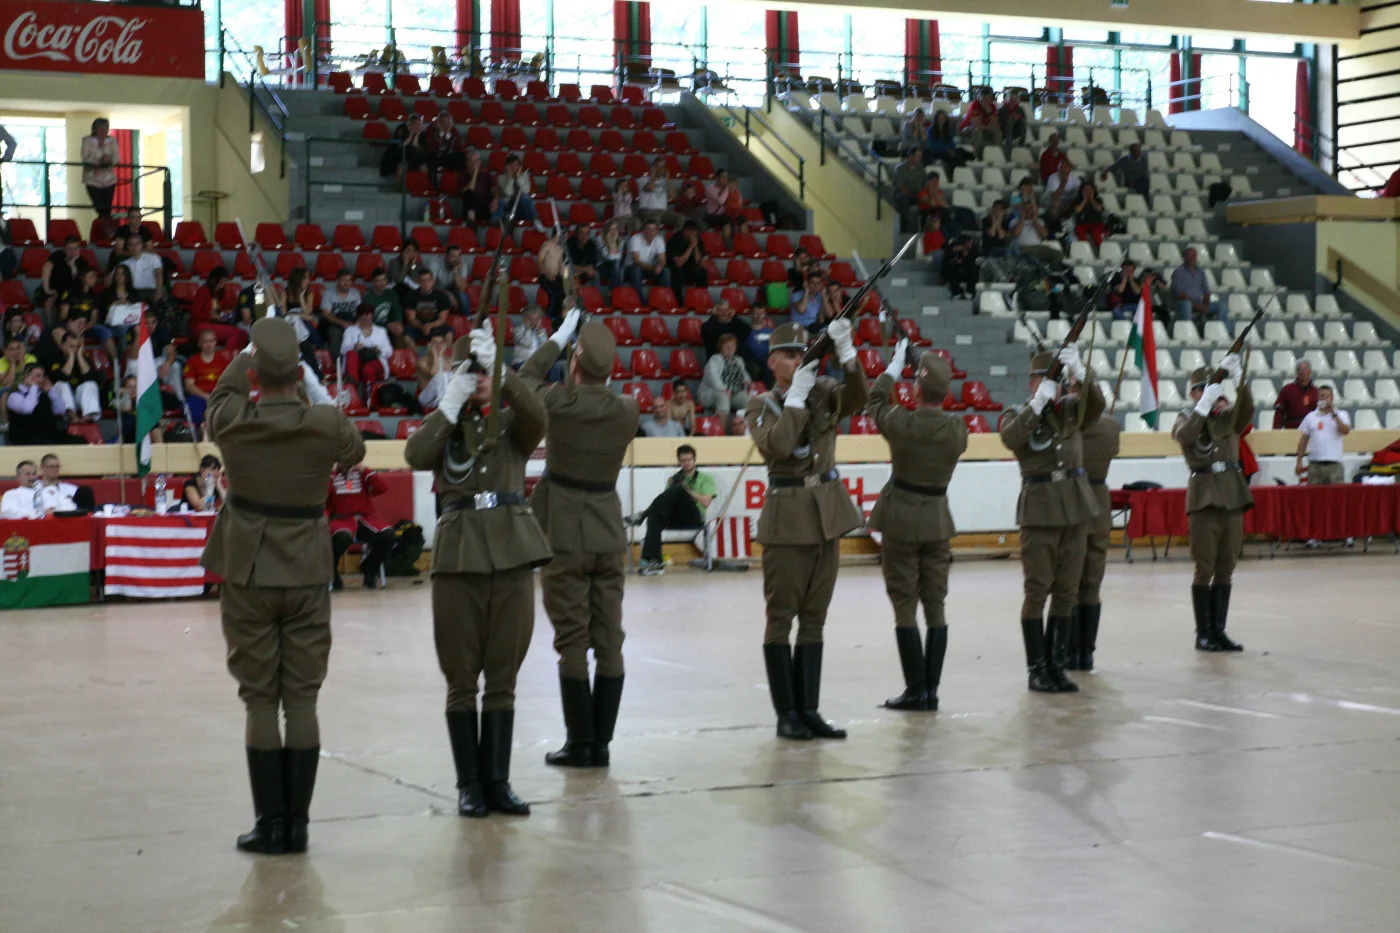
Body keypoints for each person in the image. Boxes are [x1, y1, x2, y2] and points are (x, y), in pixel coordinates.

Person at [199, 316, 366, 856]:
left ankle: (269, 825)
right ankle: (297, 827)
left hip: (249, 569)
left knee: (259, 701)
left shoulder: (234, 420)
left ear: (255, 374)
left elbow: (220, 396)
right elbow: (355, 447)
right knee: (301, 698)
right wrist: (312, 383)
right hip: (307, 570)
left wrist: (250, 351)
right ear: (298, 373)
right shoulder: (323, 423)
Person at [405, 327, 549, 815]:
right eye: (473, 370)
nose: (481, 379)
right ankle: (469, 784)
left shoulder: (510, 423)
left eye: (486, 371)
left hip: (511, 552)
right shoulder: (445, 426)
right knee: (461, 677)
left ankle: (498, 782)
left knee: (503, 677)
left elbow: (539, 417)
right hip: (458, 557)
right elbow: (416, 455)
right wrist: (450, 402)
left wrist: (504, 374)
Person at [519, 311, 640, 770]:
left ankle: (579, 742)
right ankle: (601, 745)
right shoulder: (627, 409)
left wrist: (558, 337)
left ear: (574, 364)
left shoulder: (558, 404)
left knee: (571, 641)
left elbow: (524, 379)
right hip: (608, 532)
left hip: (564, 532)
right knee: (609, 640)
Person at [744, 320, 869, 740]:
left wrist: (847, 355)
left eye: (803, 354)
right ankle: (787, 713)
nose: (798, 361)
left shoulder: (824, 391)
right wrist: (795, 398)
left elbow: (859, 398)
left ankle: (809, 710)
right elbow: (779, 446)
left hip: (827, 514)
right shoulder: (761, 406)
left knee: (815, 617)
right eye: (789, 355)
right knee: (781, 617)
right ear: (772, 362)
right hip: (787, 519)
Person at [866, 341, 967, 711]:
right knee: (936, 605)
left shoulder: (901, 424)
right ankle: (931, 691)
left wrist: (893, 368)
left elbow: (875, 402)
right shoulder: (958, 431)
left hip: (901, 522)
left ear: (916, 389)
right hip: (937, 522)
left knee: (905, 605)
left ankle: (915, 689)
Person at [999, 346, 1104, 693]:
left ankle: (1057, 666)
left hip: (1075, 508)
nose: (1052, 385)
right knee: (1037, 591)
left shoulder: (1071, 409)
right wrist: (1037, 405)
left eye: (1055, 380)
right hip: (1040, 511)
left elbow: (1097, 407)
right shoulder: (1017, 413)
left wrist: (1082, 375)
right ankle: (1036, 668)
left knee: (1066, 590)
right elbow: (1010, 438)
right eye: (1045, 380)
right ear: (1032, 382)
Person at [1172, 361, 1251, 653]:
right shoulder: (1185, 418)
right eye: (1202, 390)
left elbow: (1247, 410)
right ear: (1193, 394)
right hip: (1204, 498)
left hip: (1232, 495)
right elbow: (1185, 437)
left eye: (1212, 389)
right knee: (1204, 567)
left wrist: (1240, 379)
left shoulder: (1227, 417)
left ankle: (1219, 631)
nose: (1209, 393)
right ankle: (1203, 633)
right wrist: (1205, 404)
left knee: (1226, 567)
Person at [1065, 415, 1121, 672]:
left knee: (1069, 581)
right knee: (1092, 581)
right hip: (1099, 501)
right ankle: (1086, 653)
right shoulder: (1110, 425)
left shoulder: (1067, 422)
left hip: (1072, 498)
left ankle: (1069, 651)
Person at [629, 444, 717, 575]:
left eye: (689, 460)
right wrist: (675, 487)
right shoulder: (674, 478)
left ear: (695, 460)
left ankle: (642, 515)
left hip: (694, 516)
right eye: (683, 460)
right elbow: (664, 504)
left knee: (678, 488)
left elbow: (706, 502)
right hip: (676, 516)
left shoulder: (705, 478)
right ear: (679, 461)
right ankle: (655, 562)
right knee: (654, 516)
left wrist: (685, 490)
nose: (686, 463)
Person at [324, 462, 391, 591]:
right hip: (340, 519)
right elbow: (322, 497)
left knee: (388, 534)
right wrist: (332, 473)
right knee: (341, 538)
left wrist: (364, 470)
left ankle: (369, 567)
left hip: (364, 518)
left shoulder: (362, 474)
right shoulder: (330, 475)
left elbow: (381, 488)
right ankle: (332, 572)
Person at [1296, 384, 1350, 486]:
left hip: (1334, 464)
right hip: (1315, 464)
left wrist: (1333, 413)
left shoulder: (1342, 414)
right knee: (1314, 494)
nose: (1324, 398)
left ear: (1332, 398)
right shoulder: (1311, 416)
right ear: (1318, 398)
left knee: (1336, 493)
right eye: (1322, 396)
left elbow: (1345, 431)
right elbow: (1303, 440)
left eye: (1327, 396)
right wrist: (1299, 461)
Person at [189, 266, 249, 351]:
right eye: (221, 281)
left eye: (225, 281)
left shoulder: (220, 293)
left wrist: (227, 312)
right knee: (236, 332)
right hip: (201, 325)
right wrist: (212, 317)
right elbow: (195, 313)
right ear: (213, 280)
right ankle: (227, 354)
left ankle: (231, 353)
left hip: (215, 324)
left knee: (243, 334)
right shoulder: (203, 292)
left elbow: (224, 308)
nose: (223, 284)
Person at [1171, 248, 1229, 332]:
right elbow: (1180, 294)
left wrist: (1206, 305)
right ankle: (1188, 332)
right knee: (1186, 304)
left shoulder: (1200, 272)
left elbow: (1206, 291)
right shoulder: (1178, 272)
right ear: (1184, 257)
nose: (1192, 258)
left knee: (1222, 306)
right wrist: (1196, 306)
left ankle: (1223, 332)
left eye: (1194, 256)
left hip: (1199, 303)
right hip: (1181, 303)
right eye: (1189, 256)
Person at [183, 329, 230, 432]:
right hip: (199, 396)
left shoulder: (224, 360)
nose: (209, 345)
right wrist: (206, 396)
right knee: (192, 407)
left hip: (218, 394)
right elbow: (189, 386)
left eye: (211, 341)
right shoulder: (192, 361)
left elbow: (229, 382)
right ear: (199, 343)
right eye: (205, 341)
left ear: (215, 342)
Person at [340, 305, 394, 390]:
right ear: (358, 317)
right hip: (357, 362)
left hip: (375, 360)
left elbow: (389, 351)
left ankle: (369, 396)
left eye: (369, 317)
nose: (366, 319)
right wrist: (354, 347)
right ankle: (352, 386)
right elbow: (343, 350)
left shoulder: (381, 331)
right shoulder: (350, 330)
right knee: (351, 353)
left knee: (368, 369)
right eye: (364, 317)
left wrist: (378, 350)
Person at [700, 333, 751, 417]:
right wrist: (723, 389)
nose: (730, 348)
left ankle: (745, 424)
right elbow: (712, 377)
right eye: (727, 345)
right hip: (714, 392)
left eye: (732, 345)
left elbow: (744, 374)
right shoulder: (715, 359)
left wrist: (748, 382)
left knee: (750, 403)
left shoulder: (738, 360)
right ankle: (721, 424)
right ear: (721, 347)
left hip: (734, 392)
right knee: (723, 397)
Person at [38, 236, 88, 317]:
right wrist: (47, 289)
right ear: (65, 249)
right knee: (49, 301)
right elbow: (47, 267)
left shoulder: (82, 262)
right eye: (70, 249)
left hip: (70, 291)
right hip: (54, 287)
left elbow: (78, 281)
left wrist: (73, 266)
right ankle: (50, 323)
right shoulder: (58, 255)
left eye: (76, 248)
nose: (73, 252)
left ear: (79, 249)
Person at [81, 118, 120, 219]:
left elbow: (116, 158)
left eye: (106, 129)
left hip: (109, 180)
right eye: (101, 129)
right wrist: (99, 160)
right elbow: (85, 157)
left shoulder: (112, 141)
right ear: (95, 129)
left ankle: (106, 224)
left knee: (107, 207)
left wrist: (109, 160)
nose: (104, 132)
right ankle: (105, 224)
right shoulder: (87, 140)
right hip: (92, 179)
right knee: (99, 207)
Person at [405, 269, 455, 347]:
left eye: (428, 280)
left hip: (436, 325)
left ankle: (446, 354)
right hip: (418, 326)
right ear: (418, 282)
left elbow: (442, 319)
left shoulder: (442, 297)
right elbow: (411, 319)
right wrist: (422, 327)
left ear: (433, 281)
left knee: (449, 334)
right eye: (423, 281)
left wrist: (431, 325)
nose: (426, 283)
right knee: (405, 335)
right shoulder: (411, 296)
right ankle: (418, 353)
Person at [319, 269, 361, 357]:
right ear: (337, 281)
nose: (347, 283)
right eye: (344, 280)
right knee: (336, 334)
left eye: (349, 280)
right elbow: (326, 314)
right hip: (335, 323)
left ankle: (355, 359)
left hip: (352, 321)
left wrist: (357, 322)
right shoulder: (328, 294)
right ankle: (337, 361)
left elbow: (360, 311)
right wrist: (343, 323)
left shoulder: (355, 293)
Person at [363, 268, 406, 348]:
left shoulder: (392, 293)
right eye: (378, 280)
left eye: (384, 280)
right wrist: (387, 325)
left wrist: (397, 322)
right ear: (373, 282)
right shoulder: (368, 298)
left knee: (399, 329)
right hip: (375, 327)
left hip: (391, 325)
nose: (382, 283)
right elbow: (368, 320)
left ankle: (399, 355)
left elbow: (397, 310)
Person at [494, 154, 540, 226]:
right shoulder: (501, 178)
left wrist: (518, 177)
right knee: (501, 201)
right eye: (511, 164)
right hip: (508, 208)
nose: (514, 167)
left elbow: (526, 191)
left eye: (516, 164)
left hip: (521, 208)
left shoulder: (524, 176)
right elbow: (508, 192)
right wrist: (510, 177)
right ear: (506, 166)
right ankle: (496, 223)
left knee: (524, 197)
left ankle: (535, 220)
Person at [666, 221, 708, 300]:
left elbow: (698, 261)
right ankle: (678, 302)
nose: (694, 234)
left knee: (702, 273)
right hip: (675, 269)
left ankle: (700, 299)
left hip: (690, 269)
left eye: (695, 231)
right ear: (685, 231)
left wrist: (695, 247)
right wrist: (691, 247)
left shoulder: (698, 239)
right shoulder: (675, 240)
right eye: (692, 231)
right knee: (677, 274)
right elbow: (679, 263)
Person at [625, 220, 669, 293]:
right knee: (636, 270)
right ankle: (640, 299)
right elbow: (636, 260)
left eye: (653, 229)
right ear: (643, 230)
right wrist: (652, 268)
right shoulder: (635, 238)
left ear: (657, 231)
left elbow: (662, 259)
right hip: (631, 268)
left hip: (649, 268)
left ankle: (659, 297)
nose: (650, 232)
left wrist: (660, 266)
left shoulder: (659, 240)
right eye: (647, 229)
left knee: (665, 271)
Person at [1273, 359, 1318, 429]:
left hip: (1311, 429)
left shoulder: (1316, 391)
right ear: (1296, 372)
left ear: (1310, 371)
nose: (1302, 372)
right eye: (1299, 369)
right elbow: (1279, 412)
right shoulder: (1287, 390)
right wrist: (1276, 431)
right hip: (1292, 429)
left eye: (1305, 369)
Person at [381, 114, 430, 178]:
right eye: (416, 124)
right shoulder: (402, 129)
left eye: (420, 124)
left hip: (413, 159)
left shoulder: (421, 134)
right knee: (402, 165)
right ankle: (401, 184)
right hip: (397, 158)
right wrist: (411, 135)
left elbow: (419, 150)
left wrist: (416, 136)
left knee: (423, 166)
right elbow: (401, 146)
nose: (419, 126)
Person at [892, 149, 927, 233]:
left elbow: (925, 182)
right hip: (904, 194)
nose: (920, 158)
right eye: (918, 156)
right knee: (903, 199)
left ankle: (925, 230)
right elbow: (900, 186)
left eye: (920, 156)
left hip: (917, 194)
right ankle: (905, 229)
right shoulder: (900, 168)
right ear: (911, 156)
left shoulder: (920, 168)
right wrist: (913, 195)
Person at [122, 234, 165, 301]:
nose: (134, 247)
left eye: (137, 244)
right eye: (131, 244)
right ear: (127, 247)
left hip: (151, 292)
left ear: (142, 245)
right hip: (133, 294)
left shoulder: (154, 258)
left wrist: (159, 290)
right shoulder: (124, 264)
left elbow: (159, 274)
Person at [959, 89, 1002, 157]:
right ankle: (975, 155)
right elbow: (976, 125)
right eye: (983, 98)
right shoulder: (974, 105)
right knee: (978, 131)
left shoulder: (992, 106)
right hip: (967, 128)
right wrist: (989, 126)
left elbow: (994, 124)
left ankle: (994, 154)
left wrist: (989, 113)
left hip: (984, 129)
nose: (986, 101)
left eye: (988, 98)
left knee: (997, 132)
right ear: (979, 97)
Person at [637, 158, 678, 227]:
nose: (660, 169)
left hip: (662, 212)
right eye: (658, 167)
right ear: (653, 168)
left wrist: (667, 179)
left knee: (680, 218)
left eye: (663, 167)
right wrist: (653, 176)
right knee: (656, 219)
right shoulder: (643, 179)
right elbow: (650, 189)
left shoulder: (665, 181)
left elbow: (673, 195)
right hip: (647, 211)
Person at [460, 149, 495, 223]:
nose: (473, 163)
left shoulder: (486, 175)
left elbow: (494, 190)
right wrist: (475, 172)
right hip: (469, 208)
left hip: (484, 206)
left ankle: (471, 220)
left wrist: (495, 199)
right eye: (471, 161)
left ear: (479, 162)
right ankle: (471, 219)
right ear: (467, 163)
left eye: (476, 161)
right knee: (469, 193)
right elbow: (469, 189)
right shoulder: (463, 176)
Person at [923, 110, 958, 179]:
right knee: (951, 160)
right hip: (936, 152)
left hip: (946, 151)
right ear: (936, 119)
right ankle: (950, 177)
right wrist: (947, 150)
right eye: (940, 117)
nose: (942, 119)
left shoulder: (947, 130)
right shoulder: (931, 130)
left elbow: (951, 143)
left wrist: (953, 150)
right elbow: (932, 145)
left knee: (957, 157)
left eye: (943, 117)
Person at [941, 236, 978, 300]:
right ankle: (957, 292)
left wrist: (965, 254)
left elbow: (974, 259)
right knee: (950, 270)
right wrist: (955, 257)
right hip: (956, 271)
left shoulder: (973, 248)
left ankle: (970, 292)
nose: (970, 243)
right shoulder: (953, 248)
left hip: (968, 272)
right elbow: (946, 262)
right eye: (969, 242)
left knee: (973, 268)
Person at [1071, 182, 1107, 248]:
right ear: (1081, 191)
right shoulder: (1078, 200)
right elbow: (1077, 210)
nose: (1087, 192)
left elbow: (1098, 209)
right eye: (1085, 190)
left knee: (1096, 233)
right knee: (1079, 232)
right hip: (1082, 224)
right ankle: (1084, 248)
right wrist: (1084, 200)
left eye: (1089, 189)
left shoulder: (1098, 199)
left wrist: (1091, 199)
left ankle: (1101, 249)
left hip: (1096, 224)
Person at [746, 306, 775, 384]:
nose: (759, 316)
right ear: (751, 314)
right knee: (766, 363)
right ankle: (768, 389)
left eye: (761, 313)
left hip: (770, 356)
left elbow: (776, 346)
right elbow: (754, 349)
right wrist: (768, 348)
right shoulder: (747, 330)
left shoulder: (771, 331)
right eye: (756, 313)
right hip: (756, 358)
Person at [596, 220, 626, 286]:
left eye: (615, 229)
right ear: (606, 230)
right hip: (602, 267)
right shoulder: (599, 239)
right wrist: (611, 242)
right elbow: (609, 257)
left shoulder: (621, 240)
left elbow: (618, 257)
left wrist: (614, 241)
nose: (614, 231)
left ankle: (615, 289)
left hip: (614, 267)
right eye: (611, 229)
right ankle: (616, 289)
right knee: (617, 263)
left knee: (618, 262)